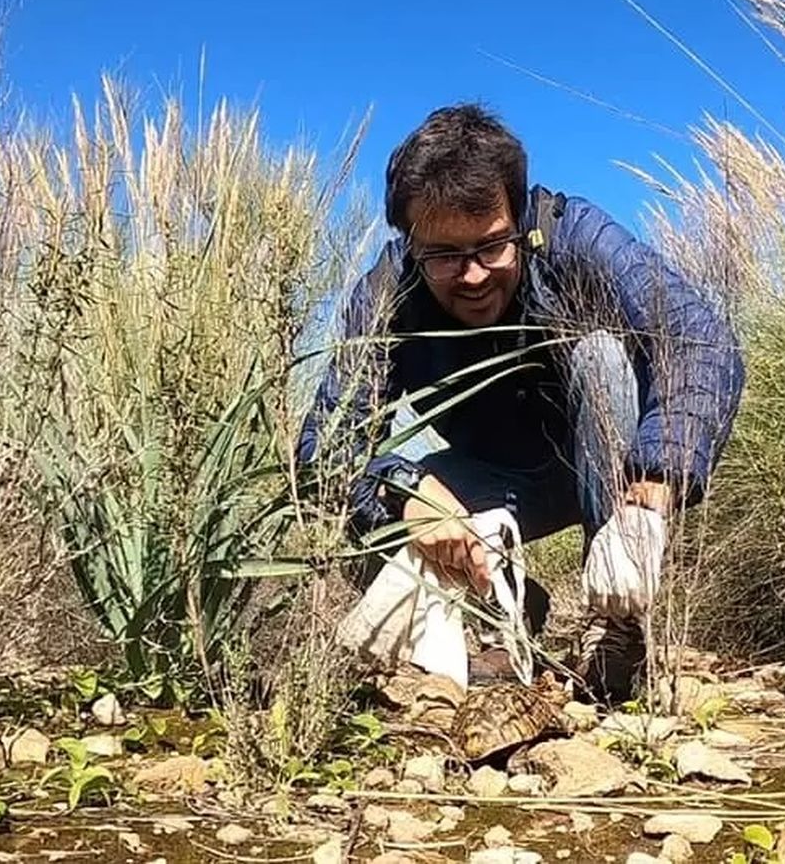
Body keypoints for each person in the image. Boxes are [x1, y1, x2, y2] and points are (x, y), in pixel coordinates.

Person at [295, 102, 745, 705]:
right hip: (487, 482)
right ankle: (501, 605)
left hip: (607, 469)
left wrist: (654, 484)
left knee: (603, 359)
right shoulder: (386, 293)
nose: (473, 276)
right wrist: (404, 494)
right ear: (409, 243)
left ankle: (615, 628)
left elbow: (698, 339)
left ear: (520, 218)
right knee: (390, 504)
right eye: (443, 256)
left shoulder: (574, 235)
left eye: (491, 247)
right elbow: (324, 445)